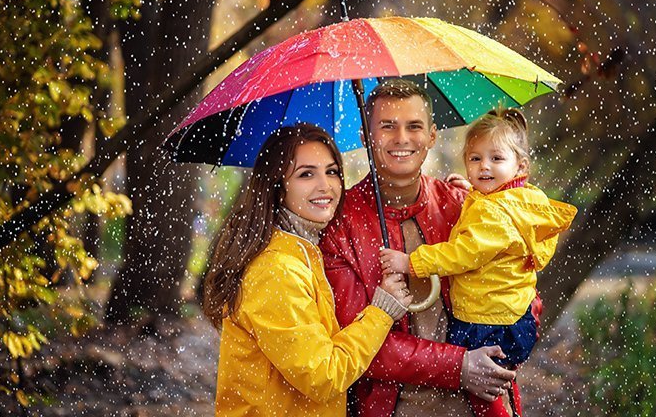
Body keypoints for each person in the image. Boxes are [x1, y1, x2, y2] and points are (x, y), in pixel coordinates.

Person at [320, 80, 526, 417]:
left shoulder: (463, 206)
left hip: (480, 407)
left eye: (413, 126)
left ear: (431, 136)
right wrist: (458, 366)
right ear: (365, 138)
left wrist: (512, 331)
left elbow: (521, 289)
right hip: (393, 408)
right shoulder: (340, 226)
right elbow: (354, 344)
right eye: (387, 127)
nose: (402, 138)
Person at [203, 124, 413, 416]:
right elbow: (322, 376)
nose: (325, 185)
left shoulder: (303, 251)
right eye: (306, 174)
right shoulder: (276, 271)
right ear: (277, 185)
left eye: (331, 171)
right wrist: (381, 312)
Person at [380, 108, 577, 410]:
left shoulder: (493, 212)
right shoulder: (517, 200)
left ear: (520, 165)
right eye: (475, 159)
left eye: (496, 159)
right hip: (512, 316)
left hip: (487, 323)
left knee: (479, 391)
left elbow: (463, 253)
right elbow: (494, 217)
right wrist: (472, 194)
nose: (484, 167)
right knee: (492, 394)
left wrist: (411, 263)